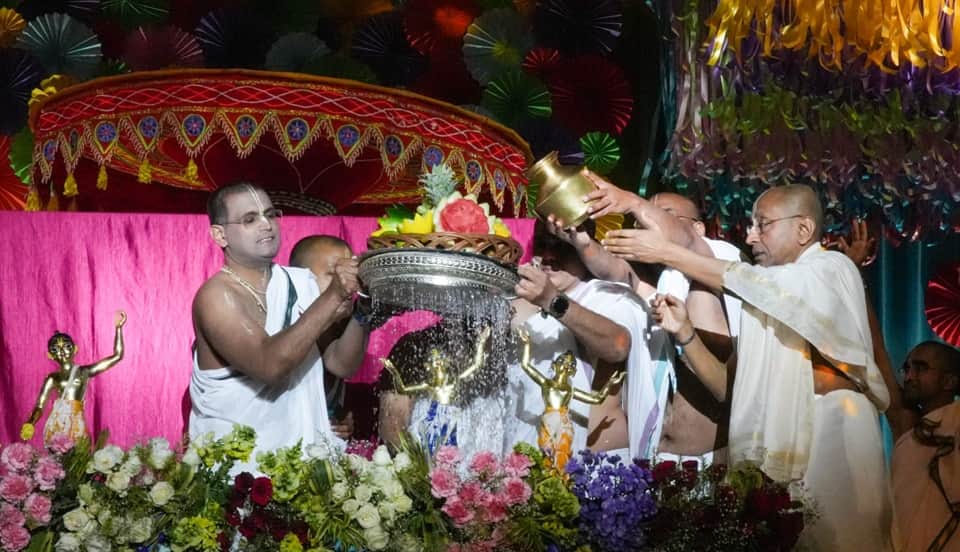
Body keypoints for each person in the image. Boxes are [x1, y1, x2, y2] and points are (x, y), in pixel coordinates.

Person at [617, 184, 892, 549]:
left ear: (803, 230)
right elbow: (730, 390)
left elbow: (749, 281)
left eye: (763, 224)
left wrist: (666, 251)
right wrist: (684, 333)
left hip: (835, 428)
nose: (750, 236)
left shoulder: (830, 268)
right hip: (792, 448)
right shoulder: (767, 301)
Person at [549, 174, 740, 462]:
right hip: (655, 460)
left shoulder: (720, 262)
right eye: (639, 218)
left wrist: (632, 202)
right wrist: (581, 239)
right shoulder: (665, 284)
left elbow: (688, 242)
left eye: (663, 214)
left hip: (707, 461)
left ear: (699, 227)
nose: (643, 222)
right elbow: (616, 271)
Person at [190, 182, 368, 472]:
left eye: (271, 215)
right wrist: (334, 294)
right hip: (237, 471)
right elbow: (268, 365)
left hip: (302, 467)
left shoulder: (300, 283)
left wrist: (366, 311)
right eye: (250, 219)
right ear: (219, 234)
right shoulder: (216, 296)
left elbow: (339, 363)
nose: (267, 226)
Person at [516, 328, 625, 472]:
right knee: (546, 450)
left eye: (570, 365)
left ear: (573, 372)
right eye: (562, 361)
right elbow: (526, 365)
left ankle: (560, 480)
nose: (565, 366)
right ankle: (546, 477)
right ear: (554, 365)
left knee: (562, 455)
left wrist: (610, 384)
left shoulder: (569, 390)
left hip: (564, 423)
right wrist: (527, 344)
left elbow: (596, 399)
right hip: (548, 420)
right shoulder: (546, 383)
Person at [289, 235, 359, 440]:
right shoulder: (277, 318)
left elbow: (341, 366)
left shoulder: (341, 323)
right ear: (299, 277)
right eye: (334, 274)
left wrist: (339, 423)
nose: (347, 283)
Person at [892, 341, 960, 551]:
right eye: (907, 368)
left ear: (949, 381)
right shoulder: (910, 437)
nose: (909, 377)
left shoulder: (955, 427)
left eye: (921, 368)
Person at [21, 311, 126, 444]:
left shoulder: (83, 372)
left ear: (75, 349)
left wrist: (118, 329)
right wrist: (30, 423)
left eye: (67, 346)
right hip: (56, 424)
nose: (62, 351)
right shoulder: (52, 378)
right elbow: (40, 406)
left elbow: (117, 356)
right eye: (55, 349)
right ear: (49, 355)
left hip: (77, 424)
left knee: (78, 459)